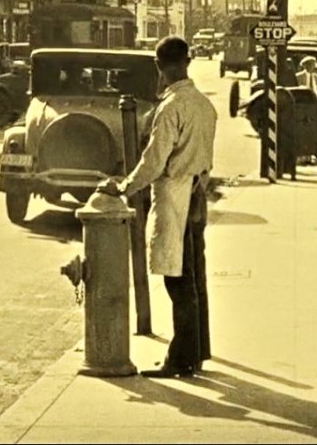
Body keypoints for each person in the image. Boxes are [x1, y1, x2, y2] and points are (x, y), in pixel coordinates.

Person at [97, 36, 217, 378]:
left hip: (175, 194)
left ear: (159, 67)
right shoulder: (204, 105)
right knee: (195, 277)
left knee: (178, 282)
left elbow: (153, 161)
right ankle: (197, 351)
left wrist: (124, 186)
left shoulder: (170, 108)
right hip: (198, 193)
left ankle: (179, 359)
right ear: (188, 62)